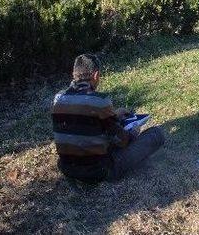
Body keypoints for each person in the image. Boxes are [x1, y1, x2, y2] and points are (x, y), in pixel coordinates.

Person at [52, 54, 165, 182]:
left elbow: (82, 121)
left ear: (74, 73)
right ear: (96, 75)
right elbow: (122, 141)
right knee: (157, 134)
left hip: (66, 169)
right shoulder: (100, 100)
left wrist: (115, 115)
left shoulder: (58, 97)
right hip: (99, 171)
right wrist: (134, 132)